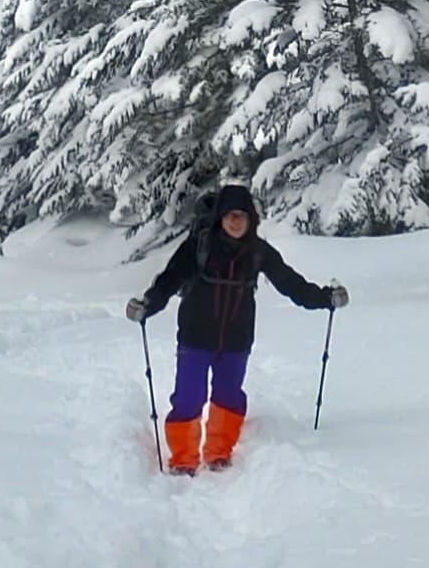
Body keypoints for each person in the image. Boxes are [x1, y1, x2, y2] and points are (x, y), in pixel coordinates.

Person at [126, 179, 345, 471]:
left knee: (228, 397)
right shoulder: (198, 247)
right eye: (230, 215)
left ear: (250, 219)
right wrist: (147, 305)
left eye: (242, 215)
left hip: (237, 340)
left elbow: (290, 284)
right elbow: (169, 281)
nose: (236, 221)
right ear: (220, 217)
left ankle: (218, 453)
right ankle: (183, 459)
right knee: (189, 398)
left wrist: (324, 298)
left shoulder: (258, 252)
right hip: (195, 337)